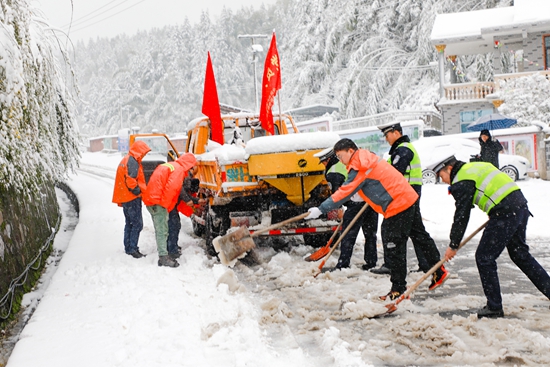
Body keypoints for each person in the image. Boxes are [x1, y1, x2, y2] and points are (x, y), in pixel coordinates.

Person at [306, 139, 449, 300]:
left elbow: (344, 191)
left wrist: (321, 209)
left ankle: (398, 289)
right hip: (407, 197)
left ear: (350, 151)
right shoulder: (367, 157)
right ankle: (438, 269)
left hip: (397, 204)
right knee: (419, 235)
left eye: (340, 155)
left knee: (393, 244)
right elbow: (369, 184)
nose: (340, 160)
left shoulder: (359, 164)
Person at [431, 155, 550, 318]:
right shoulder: (474, 167)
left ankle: (494, 307)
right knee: (520, 255)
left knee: (484, 257)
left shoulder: (461, 181)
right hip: (519, 206)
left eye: (441, 176)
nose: (443, 180)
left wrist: (453, 245)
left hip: (505, 212)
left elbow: (461, 216)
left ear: (449, 169)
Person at [378, 122, 442, 275]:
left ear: (396, 133)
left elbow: (395, 173)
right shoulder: (400, 150)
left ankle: (392, 264)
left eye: (387, 135)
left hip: (405, 194)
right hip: (409, 193)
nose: (386, 139)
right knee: (416, 231)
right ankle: (429, 264)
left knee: (391, 229)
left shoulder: (403, 150)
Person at [313, 147, 380, 271]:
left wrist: (339, 209)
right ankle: (371, 262)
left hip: (356, 203)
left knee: (348, 234)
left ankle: (343, 264)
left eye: (322, 162)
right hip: (370, 201)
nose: (323, 165)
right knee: (370, 234)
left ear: (327, 160)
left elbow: (339, 193)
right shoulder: (347, 162)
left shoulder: (333, 171)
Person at [142, 153, 198, 268]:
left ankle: (166, 253)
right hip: (158, 201)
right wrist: (166, 207)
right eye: (192, 167)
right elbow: (172, 189)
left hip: (152, 198)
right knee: (162, 230)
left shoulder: (171, 166)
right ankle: (163, 257)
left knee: (163, 228)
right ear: (189, 165)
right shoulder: (178, 170)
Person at [112, 140, 151, 259]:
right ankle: (133, 248)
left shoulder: (127, 159)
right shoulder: (133, 161)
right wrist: (139, 191)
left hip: (125, 198)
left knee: (129, 223)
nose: (144, 155)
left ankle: (128, 247)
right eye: (143, 153)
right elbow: (131, 181)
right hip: (132, 198)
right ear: (139, 151)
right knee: (137, 224)